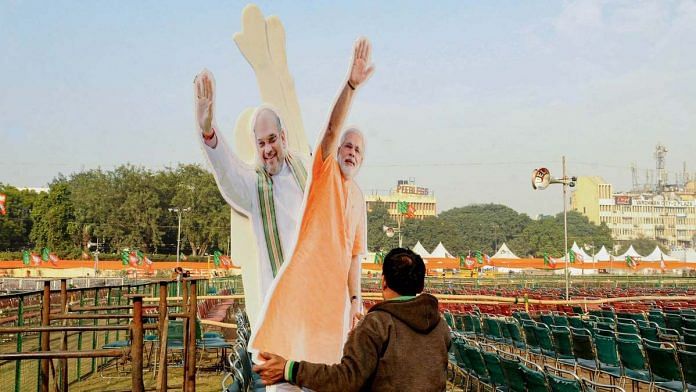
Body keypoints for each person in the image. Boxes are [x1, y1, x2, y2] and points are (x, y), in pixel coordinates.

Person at [249, 37, 374, 365]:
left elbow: (354, 256)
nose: (351, 152)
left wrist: (356, 298)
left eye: (358, 150)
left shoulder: (358, 198)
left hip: (333, 308)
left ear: (363, 160)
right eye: (348, 146)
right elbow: (332, 130)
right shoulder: (324, 171)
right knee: (287, 375)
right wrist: (351, 86)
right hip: (302, 297)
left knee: (327, 377)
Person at [253, 248, 451, 391]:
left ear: (383, 281)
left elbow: (347, 380)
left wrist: (289, 369)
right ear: (420, 285)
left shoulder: (377, 324)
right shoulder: (440, 326)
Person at [194, 71, 309, 316]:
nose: (268, 149)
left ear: (283, 136)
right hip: (282, 303)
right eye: (261, 143)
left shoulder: (304, 169)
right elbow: (228, 172)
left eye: (272, 139)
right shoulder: (255, 186)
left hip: (314, 290)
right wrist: (208, 131)